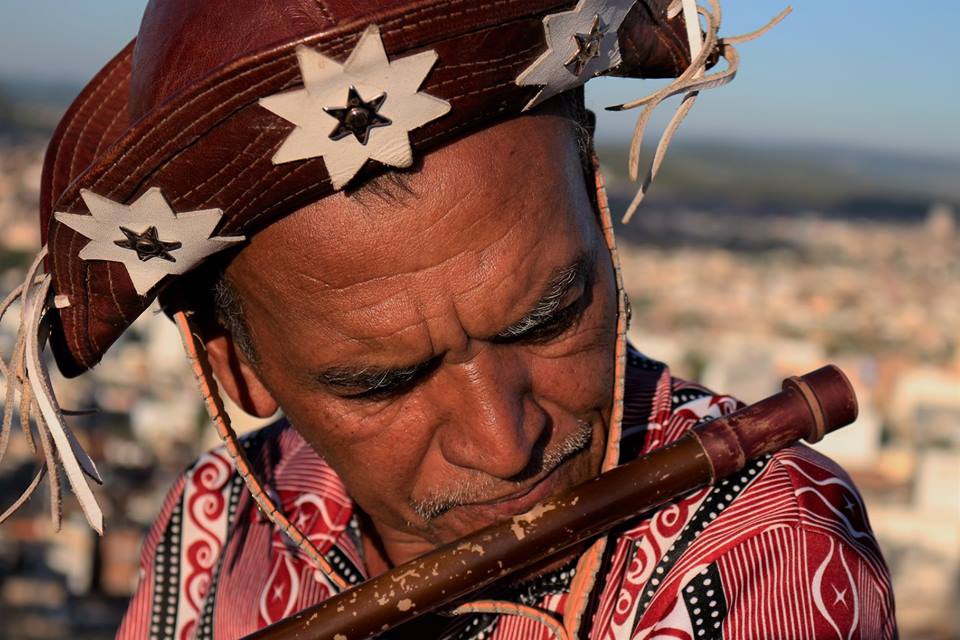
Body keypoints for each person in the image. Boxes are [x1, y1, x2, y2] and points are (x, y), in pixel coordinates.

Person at [0, 1, 895, 638]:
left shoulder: (769, 552)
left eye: (548, 318)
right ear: (232, 365)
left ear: (597, 209)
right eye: (383, 383)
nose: (503, 443)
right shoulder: (216, 519)